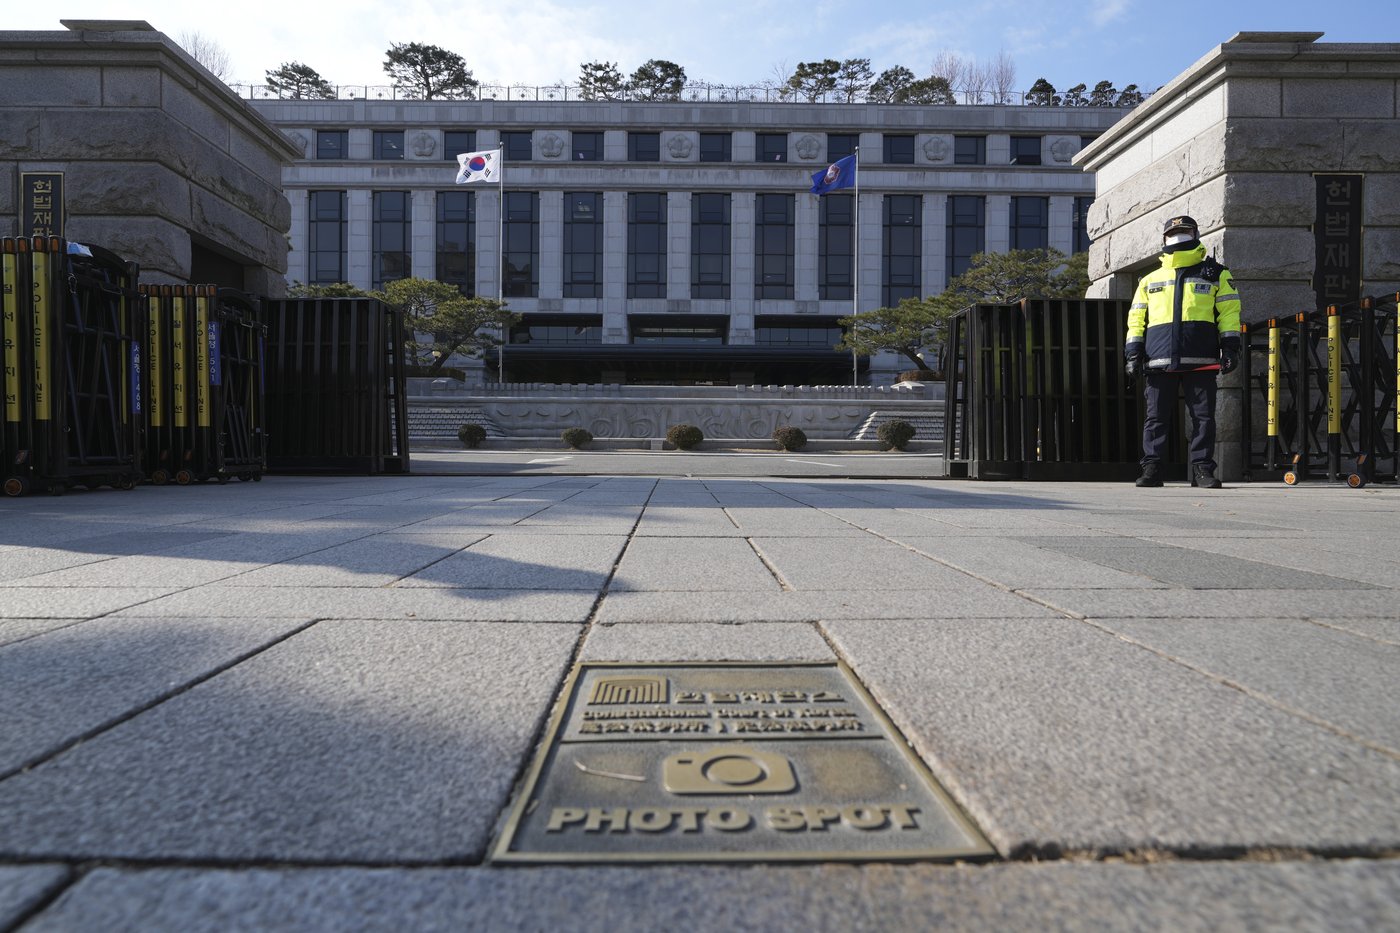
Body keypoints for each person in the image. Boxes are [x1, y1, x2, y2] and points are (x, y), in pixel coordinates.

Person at [1125, 216, 1242, 489]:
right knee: (1155, 418)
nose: (1178, 236)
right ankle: (1152, 468)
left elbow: (1229, 313)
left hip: (1200, 357)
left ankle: (1202, 470)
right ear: (1164, 239)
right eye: (1174, 232)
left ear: (1196, 234)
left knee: (1203, 418)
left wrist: (1231, 348)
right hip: (1158, 359)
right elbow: (1136, 319)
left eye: (1184, 231)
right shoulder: (1149, 279)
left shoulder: (1216, 274)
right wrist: (1133, 354)